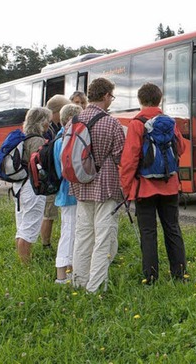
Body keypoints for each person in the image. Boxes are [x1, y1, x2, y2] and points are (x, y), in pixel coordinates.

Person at [119, 82, 188, 284]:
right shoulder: (170, 123)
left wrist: (127, 187)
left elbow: (130, 158)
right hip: (170, 185)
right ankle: (180, 274)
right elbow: (181, 148)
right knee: (172, 229)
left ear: (140, 101)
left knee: (148, 233)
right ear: (160, 99)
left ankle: (151, 277)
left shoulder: (137, 124)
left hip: (144, 188)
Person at [70, 77, 125, 293]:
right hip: (105, 186)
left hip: (80, 185)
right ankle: (95, 287)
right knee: (103, 237)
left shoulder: (75, 120)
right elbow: (121, 156)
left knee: (83, 236)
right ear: (105, 96)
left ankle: (78, 281)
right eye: (111, 96)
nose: (111, 100)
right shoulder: (111, 122)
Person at [14, 107, 53, 264]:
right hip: (32, 187)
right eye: (48, 121)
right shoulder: (37, 140)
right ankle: (25, 265)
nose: (49, 125)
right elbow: (40, 166)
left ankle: (22, 261)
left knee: (22, 225)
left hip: (19, 186)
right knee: (28, 228)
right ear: (42, 122)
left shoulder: (23, 137)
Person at [53, 104, 83, 284]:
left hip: (63, 192)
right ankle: (62, 275)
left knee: (71, 231)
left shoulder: (58, 139)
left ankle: (70, 272)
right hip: (70, 192)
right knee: (70, 233)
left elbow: (58, 172)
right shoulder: (67, 140)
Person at [40, 95, 71, 248]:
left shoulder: (54, 127)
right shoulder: (48, 129)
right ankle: (46, 244)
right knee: (49, 213)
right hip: (50, 177)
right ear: (57, 111)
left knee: (50, 212)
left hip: (53, 175)